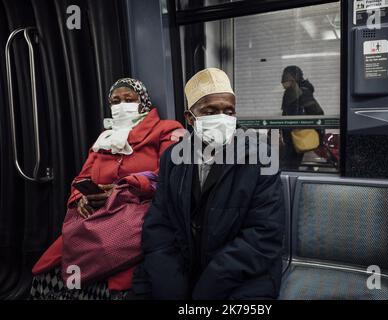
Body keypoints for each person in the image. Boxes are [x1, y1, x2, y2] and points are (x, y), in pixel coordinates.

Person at [129, 68, 285, 300]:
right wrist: (171, 281)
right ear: (190, 118)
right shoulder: (173, 158)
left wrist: (208, 287)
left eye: (228, 111)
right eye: (210, 111)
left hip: (241, 276)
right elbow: (159, 225)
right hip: (184, 266)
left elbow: (263, 236)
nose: (222, 118)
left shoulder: (261, 158)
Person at [30, 78, 184, 300]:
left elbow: (170, 176)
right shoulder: (106, 138)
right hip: (95, 216)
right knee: (49, 275)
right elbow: (82, 178)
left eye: (128, 99)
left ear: (143, 103)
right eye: (115, 101)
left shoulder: (166, 129)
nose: (121, 105)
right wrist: (82, 198)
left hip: (135, 215)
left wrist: (119, 190)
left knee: (105, 276)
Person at [281, 66, 324, 169]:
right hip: (291, 135)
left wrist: (319, 136)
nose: (283, 81)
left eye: (286, 77)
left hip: (299, 135)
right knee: (290, 165)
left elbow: (317, 113)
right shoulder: (290, 93)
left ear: (294, 78)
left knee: (290, 165)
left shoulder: (302, 92)